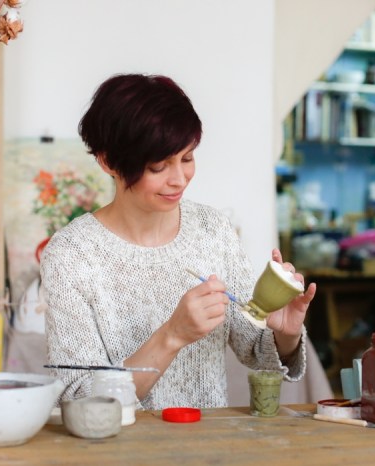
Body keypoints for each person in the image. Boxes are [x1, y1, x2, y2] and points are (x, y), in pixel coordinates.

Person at [41, 73, 316, 409]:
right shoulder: (72, 254)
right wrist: (172, 335)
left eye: (187, 158)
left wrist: (284, 332)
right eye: (159, 166)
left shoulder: (213, 230)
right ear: (108, 161)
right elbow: (80, 399)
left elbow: (256, 350)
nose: (179, 179)